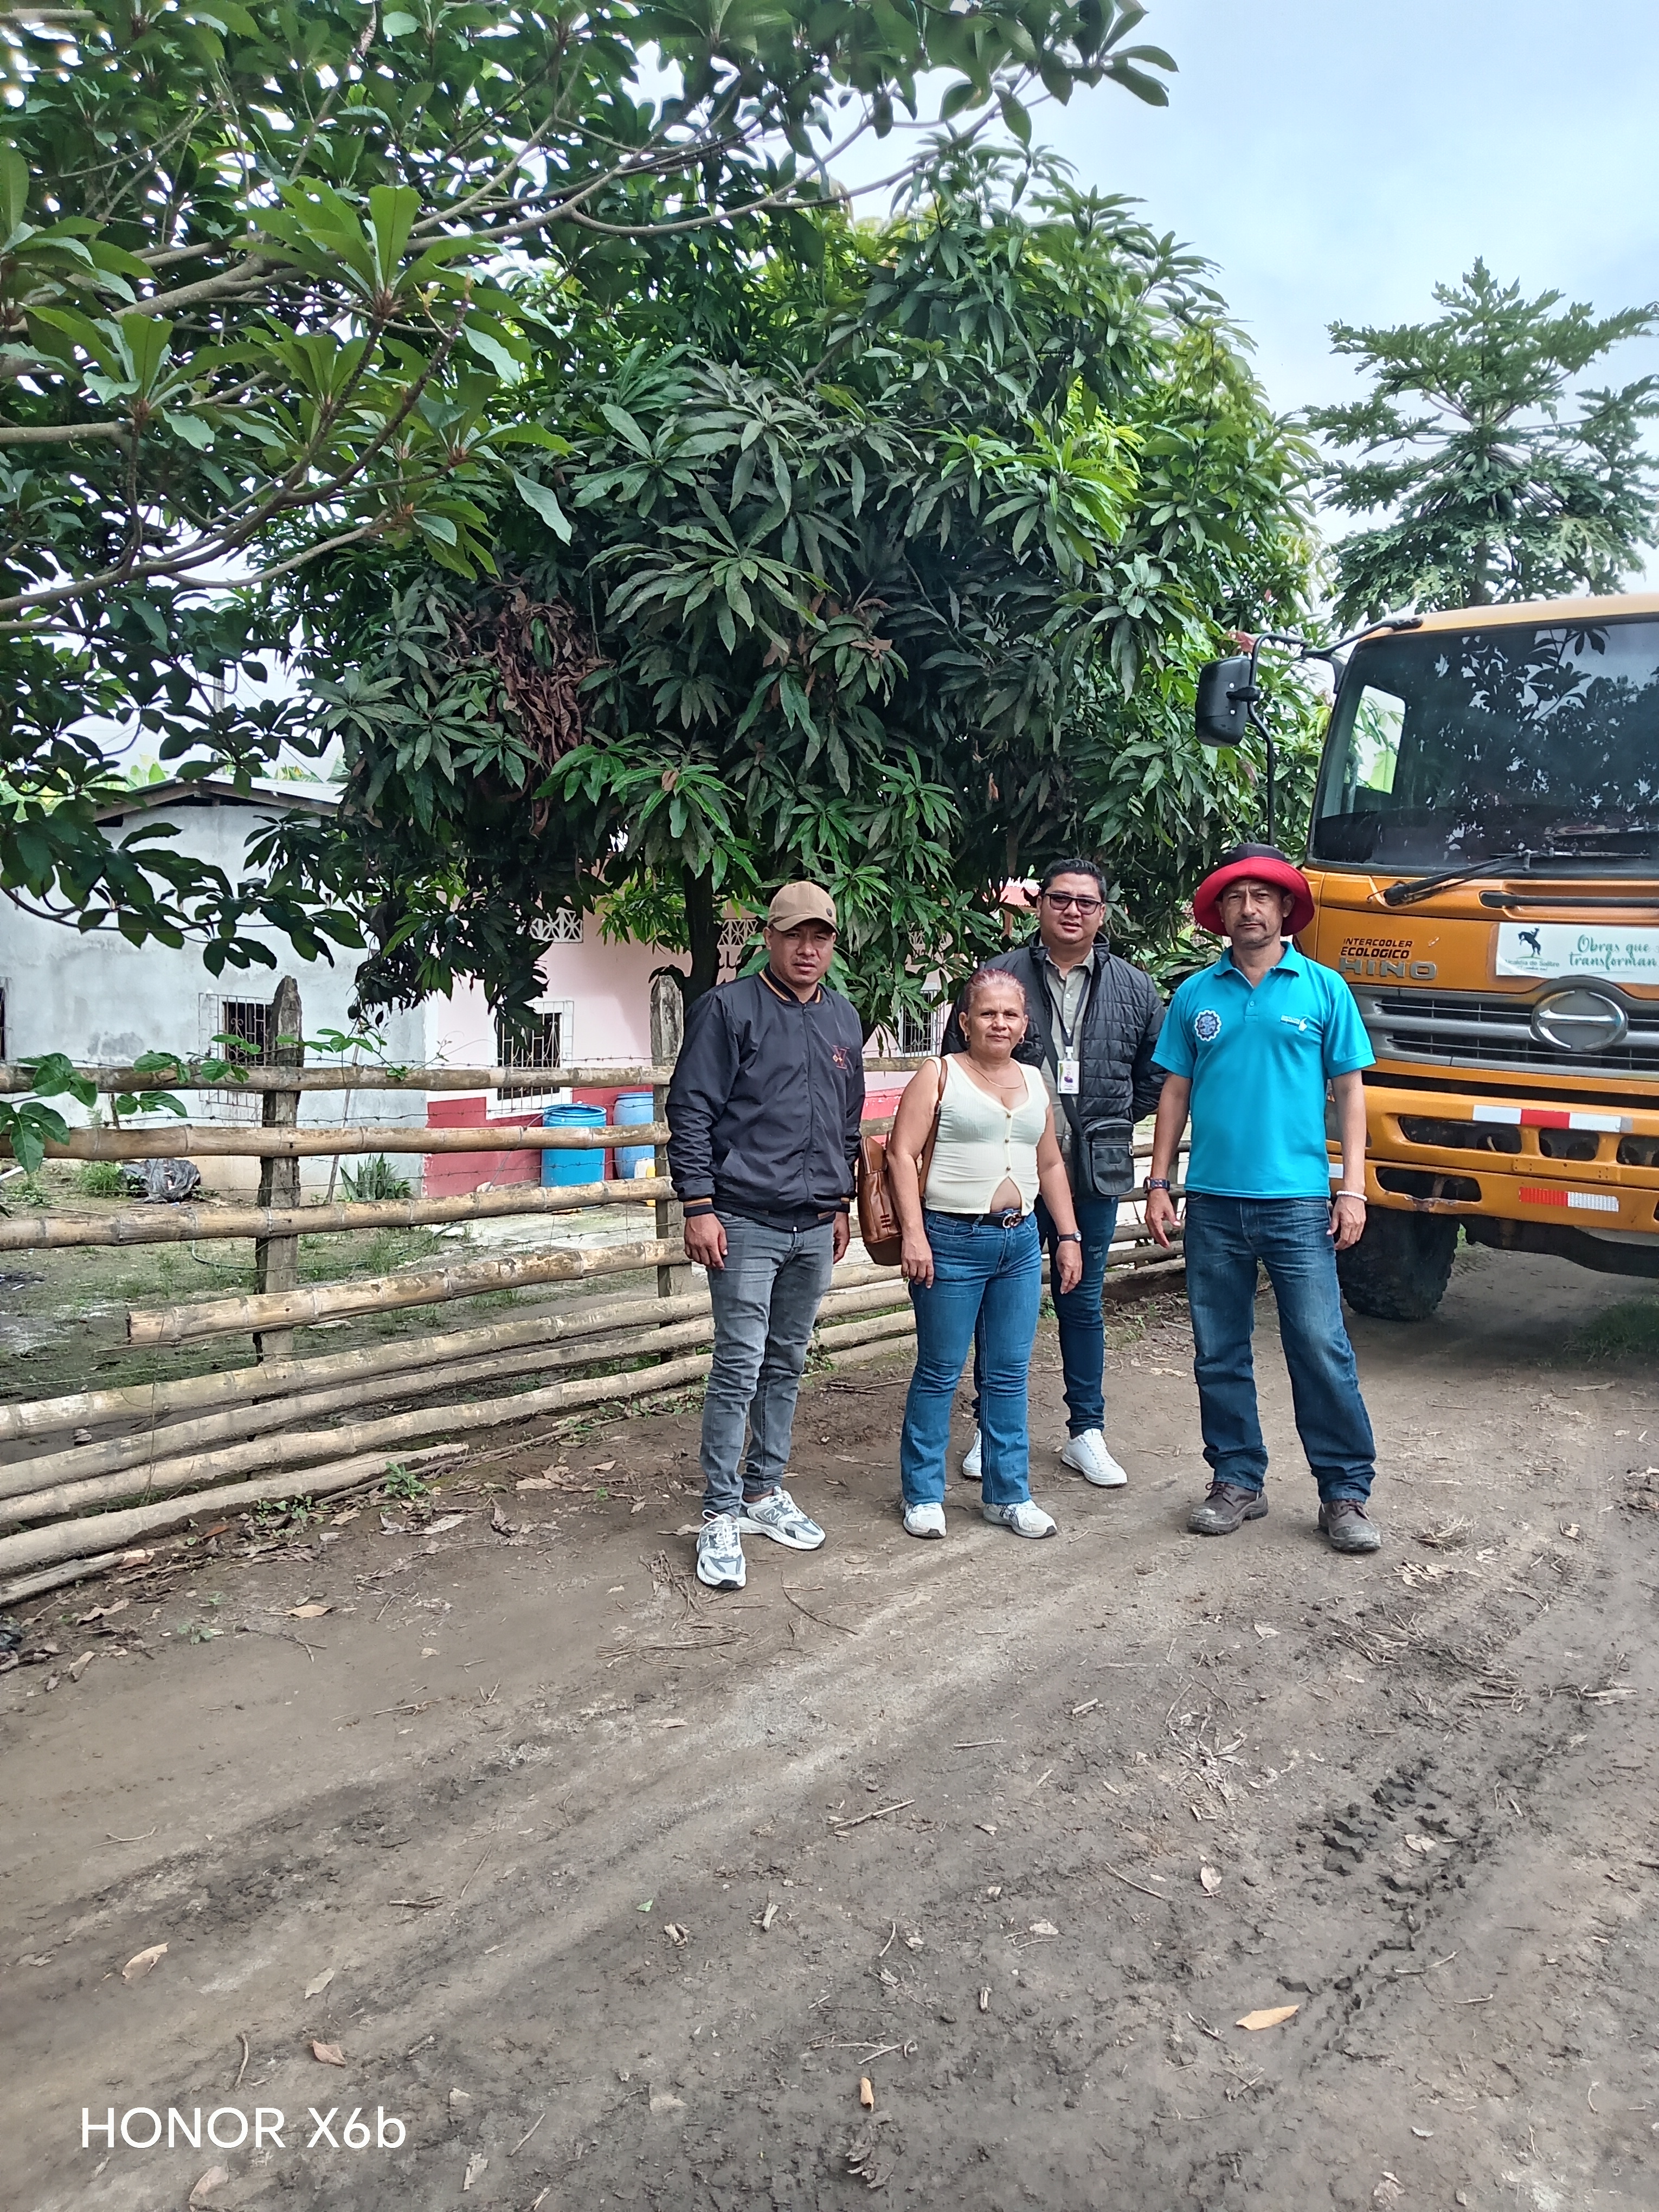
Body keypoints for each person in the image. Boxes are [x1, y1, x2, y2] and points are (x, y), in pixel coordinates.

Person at [1144, 844, 1383, 1554]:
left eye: (1261, 897)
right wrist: (1159, 1183)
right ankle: (1236, 1479)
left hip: (1299, 1204)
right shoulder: (1195, 995)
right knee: (1218, 1350)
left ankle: (1344, 1493)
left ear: (1285, 908)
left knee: (1320, 1345)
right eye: (1235, 898)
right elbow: (1175, 1092)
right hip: (1213, 1202)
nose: (1248, 909)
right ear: (1220, 913)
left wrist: (1352, 1188)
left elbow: (1350, 1095)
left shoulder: (1324, 989)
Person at [941, 857, 1165, 1490]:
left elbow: (1156, 1072)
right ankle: (991, 1427)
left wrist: (1109, 1121)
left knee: (1082, 1301)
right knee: (996, 1304)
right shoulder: (1000, 977)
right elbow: (955, 1064)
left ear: (1102, 913)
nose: (1073, 911)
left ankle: (1086, 1432)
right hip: (1007, 1171)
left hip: (1091, 1173)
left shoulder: (1133, 987)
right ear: (1039, 905)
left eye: (1086, 903)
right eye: (1060, 899)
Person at [666, 882, 864, 1591]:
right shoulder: (728, 1010)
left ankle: (762, 1490)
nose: (808, 950)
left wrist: (841, 1204)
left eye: (821, 937)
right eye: (794, 936)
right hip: (744, 1220)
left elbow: (846, 1120)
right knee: (739, 1364)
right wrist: (699, 1205)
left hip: (814, 1223)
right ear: (769, 939)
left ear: (832, 944)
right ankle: (720, 1511)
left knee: (786, 1360)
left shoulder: (842, 1016)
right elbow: (691, 1109)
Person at [886, 967, 1083, 1540]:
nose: (1000, 1023)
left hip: (1018, 1242)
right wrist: (914, 1234)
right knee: (940, 1369)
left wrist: (1068, 1236)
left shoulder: (1034, 1080)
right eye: (988, 1013)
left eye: (1011, 1014)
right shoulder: (940, 1074)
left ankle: (1008, 1494)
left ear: (1025, 1025)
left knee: (1008, 1373)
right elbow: (901, 1154)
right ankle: (924, 1493)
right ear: (966, 1020)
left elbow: (1050, 1163)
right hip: (951, 1239)